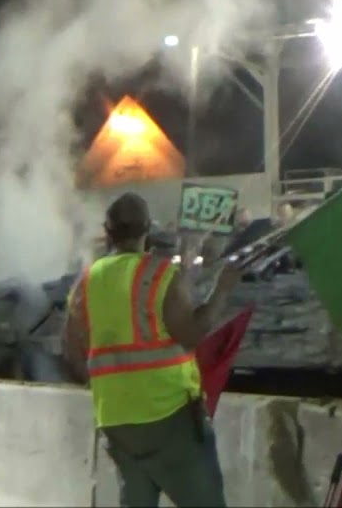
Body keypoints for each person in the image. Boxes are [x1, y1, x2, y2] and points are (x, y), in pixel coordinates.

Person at [63, 193, 242, 508]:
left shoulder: (86, 282)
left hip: (116, 420)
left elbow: (70, 349)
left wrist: (105, 386)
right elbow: (191, 334)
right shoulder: (158, 274)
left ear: (107, 231)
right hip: (167, 415)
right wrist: (222, 290)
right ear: (147, 229)